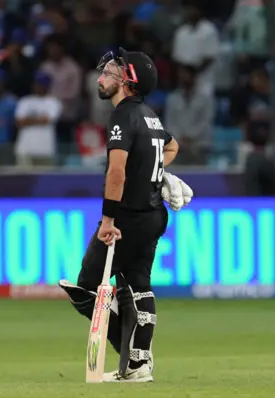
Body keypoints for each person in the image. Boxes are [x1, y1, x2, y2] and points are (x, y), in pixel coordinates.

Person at [58, 47, 192, 383]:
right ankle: (137, 363)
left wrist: (107, 220)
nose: (101, 77)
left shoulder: (122, 116)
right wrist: (154, 172)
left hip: (128, 218)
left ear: (127, 80)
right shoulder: (150, 115)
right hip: (153, 214)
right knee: (137, 284)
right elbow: (172, 146)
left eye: (109, 72)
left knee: (86, 288)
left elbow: (116, 173)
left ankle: (130, 352)